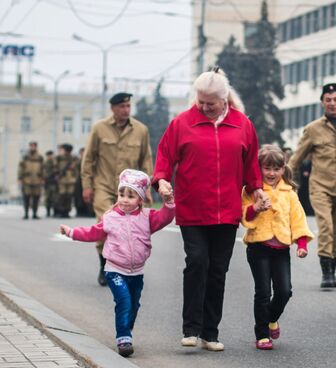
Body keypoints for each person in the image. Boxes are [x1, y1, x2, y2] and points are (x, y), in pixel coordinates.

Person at [153, 69, 264, 351]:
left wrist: (257, 189)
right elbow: (164, 156)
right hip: (192, 210)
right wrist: (162, 181)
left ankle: (210, 333)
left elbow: (252, 164)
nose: (204, 107)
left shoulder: (242, 125)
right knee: (198, 261)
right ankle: (191, 329)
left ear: (224, 99)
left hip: (226, 212)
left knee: (217, 270)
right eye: (200, 101)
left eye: (210, 103)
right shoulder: (182, 123)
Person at [59, 169, 175, 357]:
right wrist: (72, 232)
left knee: (134, 305)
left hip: (137, 272)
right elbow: (93, 233)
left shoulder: (147, 217)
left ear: (140, 199)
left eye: (130, 196)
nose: (124, 199)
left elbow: (166, 217)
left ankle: (125, 326)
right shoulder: (110, 218)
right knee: (123, 300)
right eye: (121, 194)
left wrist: (169, 202)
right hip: (115, 270)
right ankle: (123, 338)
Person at [241, 145, 313, 350]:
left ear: (283, 169)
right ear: (259, 168)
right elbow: (244, 215)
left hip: (281, 249)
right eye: (267, 168)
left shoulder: (289, 192)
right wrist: (255, 208)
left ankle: (272, 319)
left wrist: (301, 244)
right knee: (263, 292)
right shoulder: (252, 190)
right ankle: (262, 334)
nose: (271, 173)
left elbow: (298, 218)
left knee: (284, 291)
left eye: (276, 168)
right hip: (258, 247)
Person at [81, 92, 153, 286]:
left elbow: (146, 160)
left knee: (131, 229)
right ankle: (104, 266)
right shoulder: (99, 129)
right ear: (112, 108)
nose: (126, 110)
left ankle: (124, 267)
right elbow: (89, 159)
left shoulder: (141, 130)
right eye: (122, 107)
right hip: (104, 186)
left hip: (130, 190)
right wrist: (87, 186)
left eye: (128, 106)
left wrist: (146, 188)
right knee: (106, 224)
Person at [288, 83, 336, 289]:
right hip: (320, 186)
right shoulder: (313, 129)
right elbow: (296, 158)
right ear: (322, 102)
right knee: (326, 227)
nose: (332, 103)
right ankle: (327, 273)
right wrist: (284, 181)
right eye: (328, 100)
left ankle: (333, 265)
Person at [17, 141, 44, 220]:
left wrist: (43, 178)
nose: (32, 147)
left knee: (36, 198)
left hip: (37, 180)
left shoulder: (40, 157)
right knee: (26, 198)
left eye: (34, 146)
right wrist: (19, 178)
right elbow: (20, 168)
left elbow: (43, 168)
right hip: (27, 180)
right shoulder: (25, 157)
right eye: (31, 146)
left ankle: (35, 214)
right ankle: (26, 214)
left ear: (36, 147)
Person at [54, 144, 78, 219]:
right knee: (62, 195)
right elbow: (55, 167)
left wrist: (75, 176)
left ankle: (67, 211)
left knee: (69, 196)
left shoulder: (73, 158)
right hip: (62, 179)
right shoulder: (58, 158)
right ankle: (61, 211)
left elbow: (76, 169)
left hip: (71, 179)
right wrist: (57, 174)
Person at [74, 147, 94, 218]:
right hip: (78, 181)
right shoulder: (78, 161)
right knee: (78, 198)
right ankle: (80, 211)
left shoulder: (89, 161)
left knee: (88, 197)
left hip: (87, 181)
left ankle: (89, 212)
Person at [43, 150, 57, 218]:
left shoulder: (55, 163)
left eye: (51, 155)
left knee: (54, 198)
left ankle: (54, 212)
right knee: (47, 198)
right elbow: (43, 172)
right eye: (49, 155)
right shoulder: (45, 163)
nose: (50, 157)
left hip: (53, 183)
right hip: (47, 183)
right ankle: (48, 212)